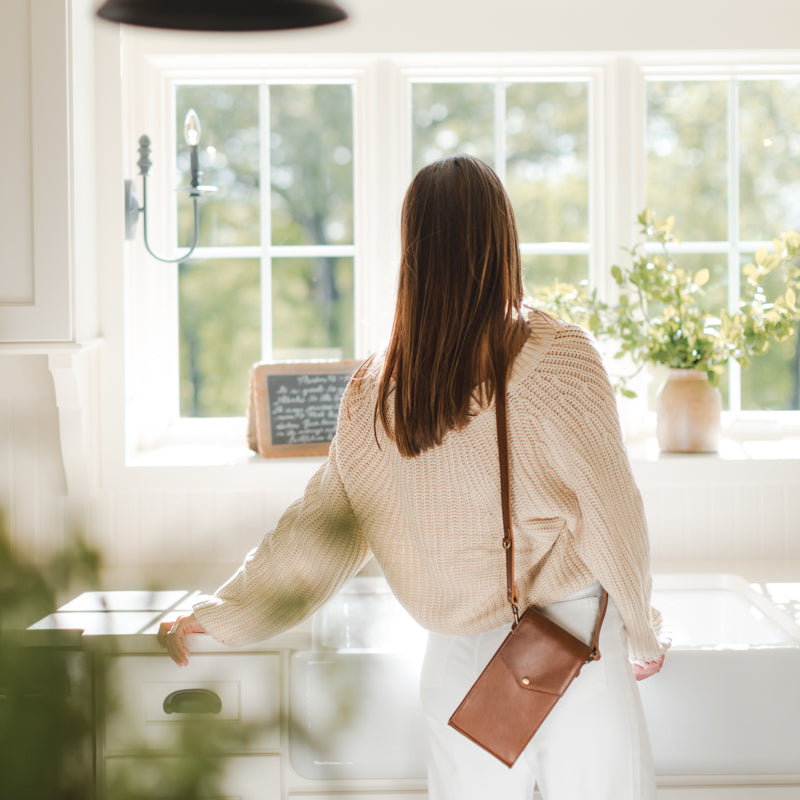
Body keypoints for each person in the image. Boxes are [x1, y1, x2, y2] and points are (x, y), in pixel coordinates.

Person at [159, 154, 669, 800]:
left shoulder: (373, 394)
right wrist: (644, 630)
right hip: (572, 649)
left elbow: (318, 535)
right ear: (502, 243)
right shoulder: (558, 361)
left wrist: (225, 613)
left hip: (460, 671)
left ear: (412, 255)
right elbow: (614, 518)